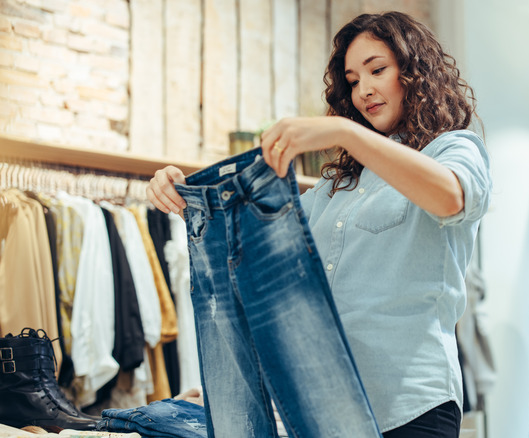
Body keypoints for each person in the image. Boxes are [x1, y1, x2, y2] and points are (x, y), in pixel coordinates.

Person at [147, 11, 491, 438]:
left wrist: (346, 133)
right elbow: (251, 236)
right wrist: (184, 197)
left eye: (377, 70)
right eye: (351, 81)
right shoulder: (336, 189)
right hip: (325, 411)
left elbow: (451, 196)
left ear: (414, 72)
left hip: (409, 407)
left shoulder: (455, 148)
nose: (363, 90)